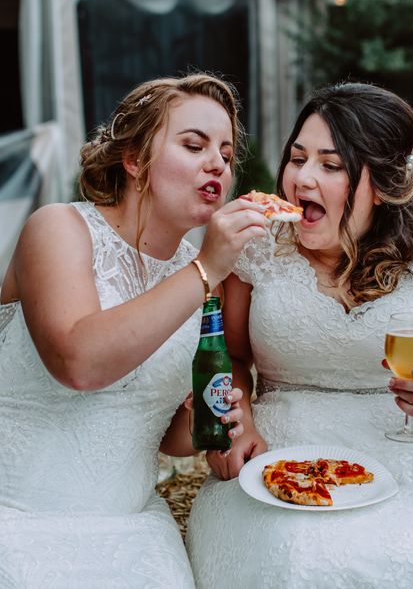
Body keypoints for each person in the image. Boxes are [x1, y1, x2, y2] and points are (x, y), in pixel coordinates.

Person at [185, 82, 413, 588]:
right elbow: (228, 356)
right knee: (295, 566)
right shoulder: (260, 246)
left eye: (331, 166)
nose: (301, 179)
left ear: (381, 183)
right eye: (297, 159)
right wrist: (239, 420)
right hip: (285, 459)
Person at [0, 74, 262, 587]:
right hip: (16, 519)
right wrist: (207, 267)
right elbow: (79, 363)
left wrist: (213, 421)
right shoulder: (58, 230)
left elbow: (165, 437)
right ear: (135, 159)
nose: (218, 164)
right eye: (194, 145)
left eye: (227, 155)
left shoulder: (209, 282)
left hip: (134, 535)